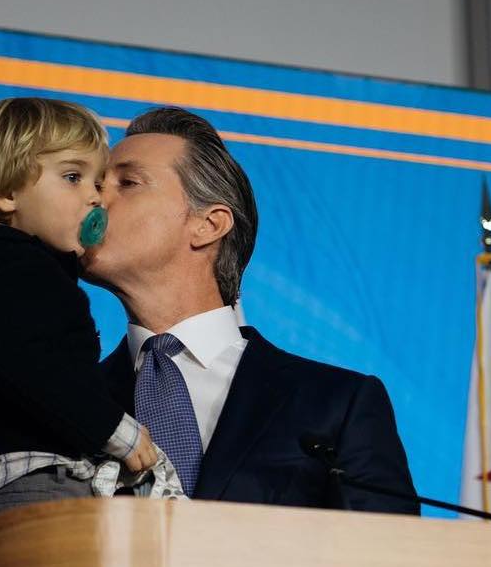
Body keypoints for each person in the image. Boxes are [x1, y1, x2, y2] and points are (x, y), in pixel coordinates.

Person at [82, 106, 418, 513]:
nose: (92, 198)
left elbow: (388, 550)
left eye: (127, 182)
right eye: (95, 183)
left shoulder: (338, 404)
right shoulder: (64, 402)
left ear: (208, 224)